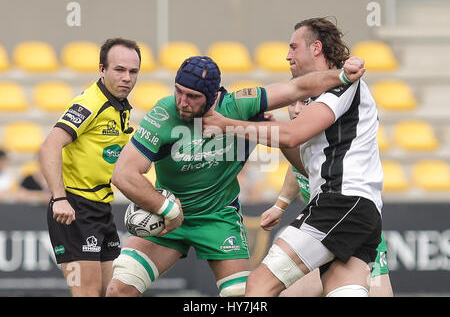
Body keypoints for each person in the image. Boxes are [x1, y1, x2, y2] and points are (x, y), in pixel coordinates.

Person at [106, 54, 365, 297]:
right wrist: (167, 209)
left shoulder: (239, 105)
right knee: (119, 289)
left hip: (218, 218)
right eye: (179, 91)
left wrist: (341, 76)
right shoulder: (163, 114)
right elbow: (123, 174)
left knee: (243, 298)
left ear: (212, 98)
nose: (182, 102)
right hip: (169, 216)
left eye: (193, 96)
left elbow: (297, 89)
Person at [203, 17, 382, 297]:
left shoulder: (341, 85)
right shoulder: (315, 97)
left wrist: (227, 124)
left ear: (316, 48)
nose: (288, 55)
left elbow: (292, 134)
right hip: (360, 211)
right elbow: (307, 163)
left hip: (341, 202)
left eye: (294, 47)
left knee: (259, 284)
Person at [39, 38, 141, 297]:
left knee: (113, 292)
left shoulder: (120, 107)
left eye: (133, 71)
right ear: (102, 70)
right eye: (119, 70)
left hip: (100, 209)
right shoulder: (90, 103)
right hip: (73, 209)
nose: (127, 77)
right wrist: (59, 198)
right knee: (87, 293)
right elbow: (50, 146)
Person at [263, 99, 393, 297]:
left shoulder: (341, 140)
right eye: (292, 104)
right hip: (322, 234)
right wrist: (280, 205)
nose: (296, 110)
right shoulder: (307, 143)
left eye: (304, 103)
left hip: (359, 236)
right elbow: (297, 170)